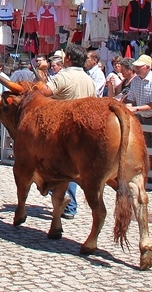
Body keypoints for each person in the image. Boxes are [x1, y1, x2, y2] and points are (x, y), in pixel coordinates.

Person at [38, 44, 97, 218]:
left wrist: (42, 73)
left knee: (57, 167)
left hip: (62, 127)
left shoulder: (65, 75)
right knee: (73, 168)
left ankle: (65, 201)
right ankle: (67, 203)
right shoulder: (88, 79)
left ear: (68, 58)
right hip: (82, 129)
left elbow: (45, 92)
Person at [124, 54, 152, 186]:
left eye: (139, 66)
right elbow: (131, 97)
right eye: (135, 66)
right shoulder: (136, 81)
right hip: (142, 117)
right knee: (145, 148)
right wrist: (128, 104)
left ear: (147, 67)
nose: (136, 68)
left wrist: (135, 108)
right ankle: (147, 175)